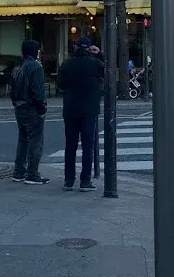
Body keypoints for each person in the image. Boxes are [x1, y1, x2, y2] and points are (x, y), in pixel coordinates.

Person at [57, 36, 104, 191]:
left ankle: (68, 180)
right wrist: (99, 54)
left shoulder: (67, 64)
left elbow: (61, 85)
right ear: (89, 49)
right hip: (89, 109)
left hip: (70, 108)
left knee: (70, 146)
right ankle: (85, 181)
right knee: (88, 145)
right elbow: (109, 71)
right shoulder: (95, 64)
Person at [10, 40, 49, 184]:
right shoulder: (35, 67)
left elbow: (12, 90)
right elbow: (38, 91)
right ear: (35, 51)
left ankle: (19, 171)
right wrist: (42, 107)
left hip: (19, 107)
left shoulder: (17, 67)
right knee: (35, 141)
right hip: (32, 107)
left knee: (23, 139)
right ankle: (32, 173)